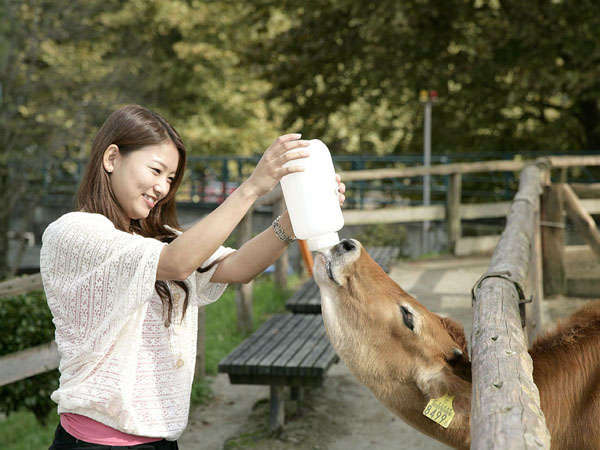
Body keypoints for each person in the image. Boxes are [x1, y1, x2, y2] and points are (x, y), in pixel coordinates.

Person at [42, 104, 346, 449]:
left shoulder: (159, 238)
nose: (162, 187)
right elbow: (177, 263)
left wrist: (295, 221)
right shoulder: (74, 233)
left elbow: (239, 267)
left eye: (171, 178)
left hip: (161, 438)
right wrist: (251, 188)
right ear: (112, 158)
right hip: (96, 443)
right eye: (156, 170)